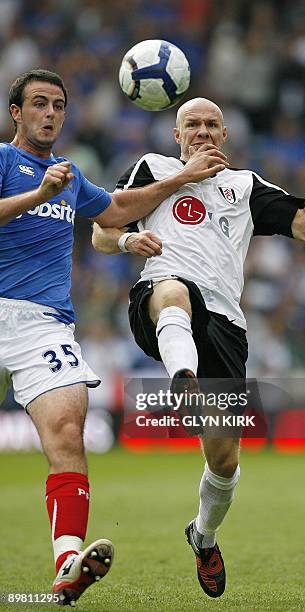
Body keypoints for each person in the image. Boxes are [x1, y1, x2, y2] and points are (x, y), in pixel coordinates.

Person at [92, 96, 305, 598]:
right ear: (176, 135)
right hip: (162, 296)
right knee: (174, 291)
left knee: (224, 461)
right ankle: (182, 379)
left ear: (225, 136)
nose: (202, 131)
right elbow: (104, 227)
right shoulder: (152, 169)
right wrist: (127, 242)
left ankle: (203, 537)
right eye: (192, 125)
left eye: (211, 125)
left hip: (226, 325)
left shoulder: (244, 186)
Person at [0, 71, 227, 607]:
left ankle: (66, 567)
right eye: (38, 104)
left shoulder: (71, 175)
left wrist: (177, 180)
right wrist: (39, 194)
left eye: (58, 105)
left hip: (42, 323)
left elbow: (118, 210)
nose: (50, 114)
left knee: (68, 435)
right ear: (16, 112)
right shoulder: (6, 163)